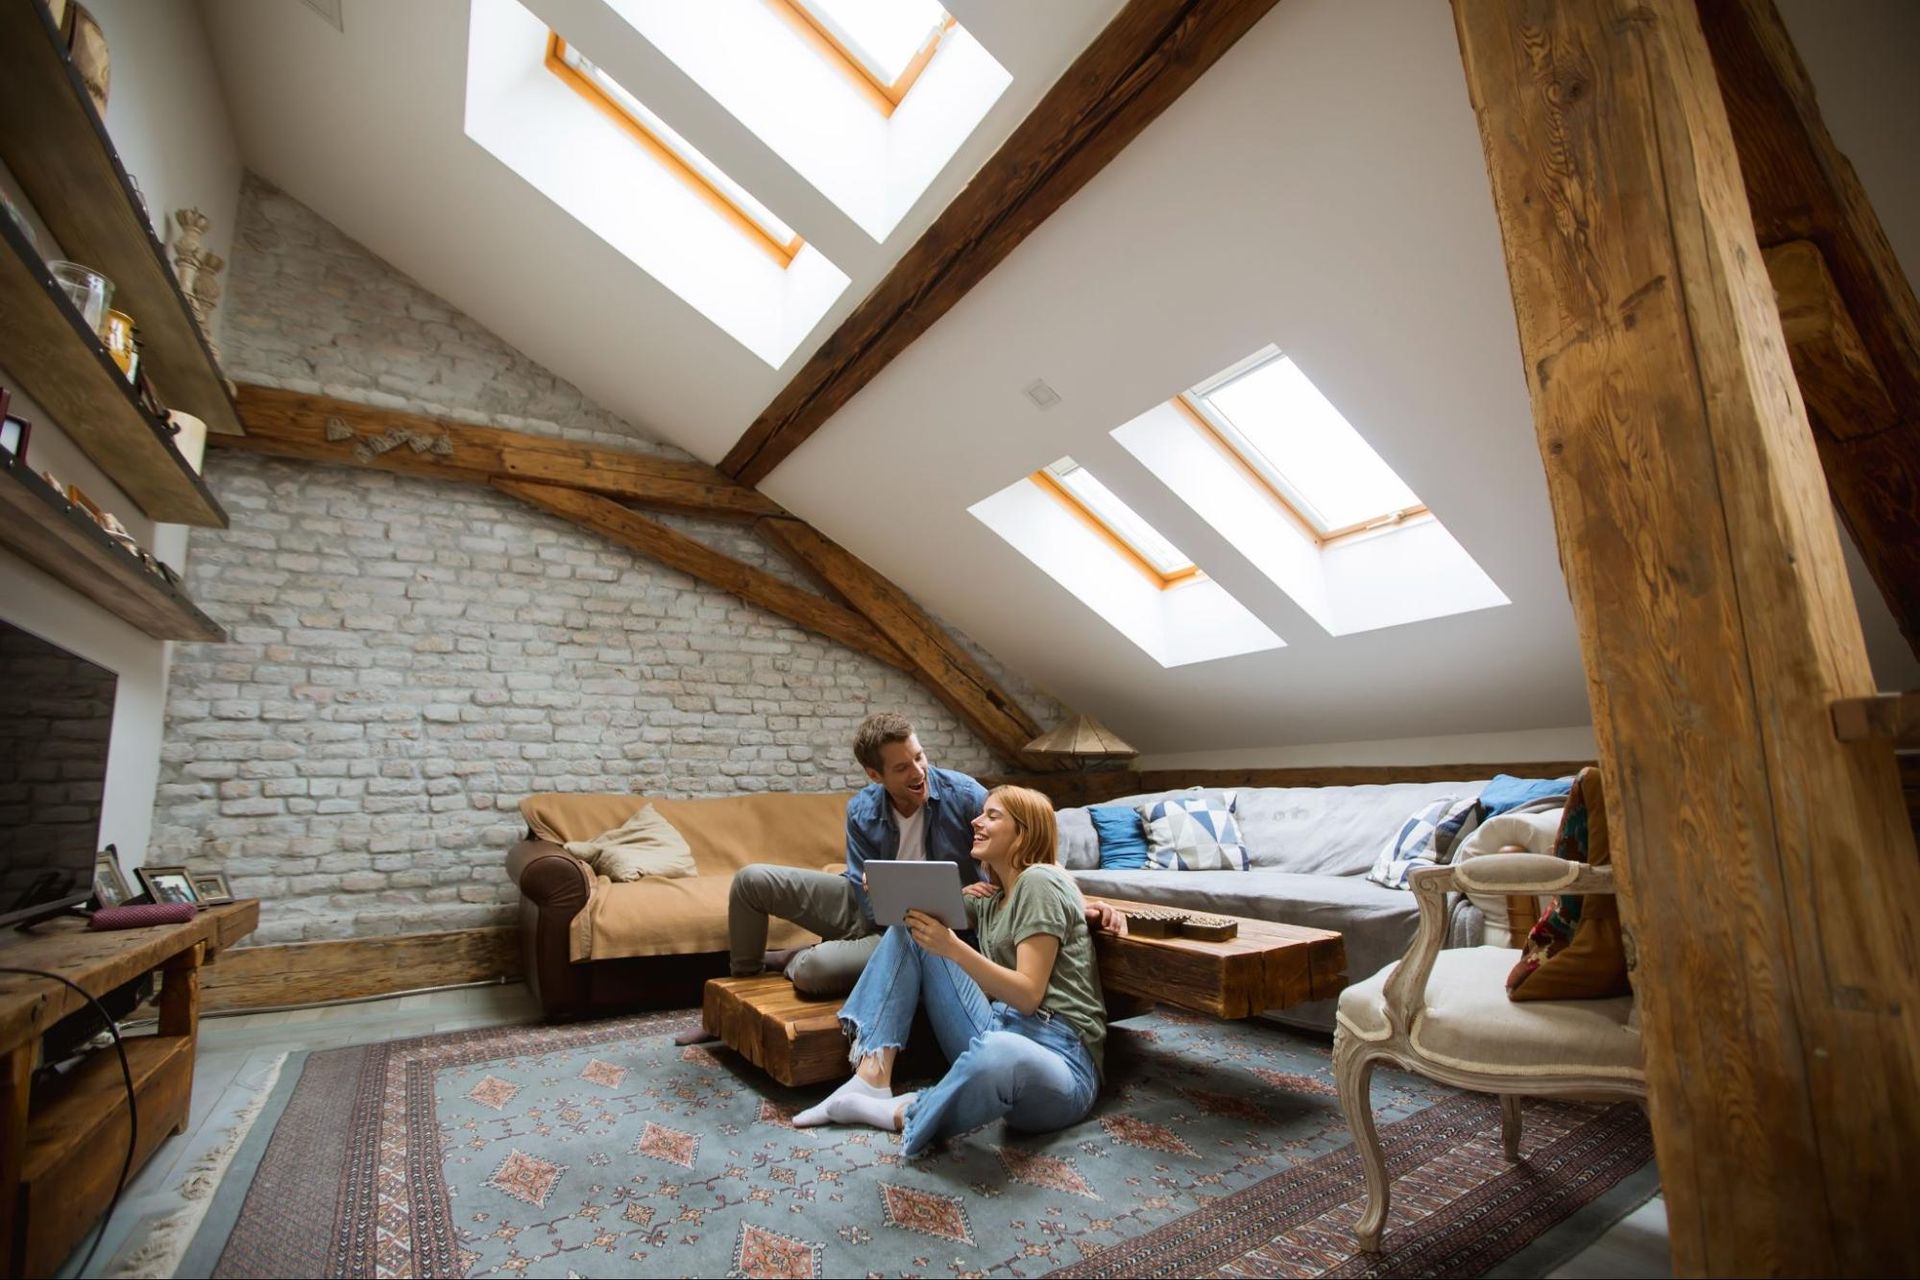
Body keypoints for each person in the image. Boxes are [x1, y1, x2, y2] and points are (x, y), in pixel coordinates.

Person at [792, 785, 1127, 1157]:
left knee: (1000, 1050)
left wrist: (952, 947)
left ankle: (904, 1113)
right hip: (998, 1026)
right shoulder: (991, 898)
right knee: (913, 925)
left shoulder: (1040, 882)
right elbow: (913, 907)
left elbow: (1029, 997)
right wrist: (884, 884)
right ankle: (872, 1076)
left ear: (1024, 832)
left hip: (1060, 1057)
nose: (976, 821)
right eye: (982, 813)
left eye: (992, 816)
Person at [729, 712, 988, 999]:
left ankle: (796, 957)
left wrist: (978, 895)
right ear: (875, 775)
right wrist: (877, 893)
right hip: (868, 908)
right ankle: (739, 992)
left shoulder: (967, 797)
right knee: (750, 881)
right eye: (902, 767)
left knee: (814, 970)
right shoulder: (861, 810)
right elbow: (866, 901)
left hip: (922, 932)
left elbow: (1019, 853)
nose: (918, 772)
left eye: (919, 756)